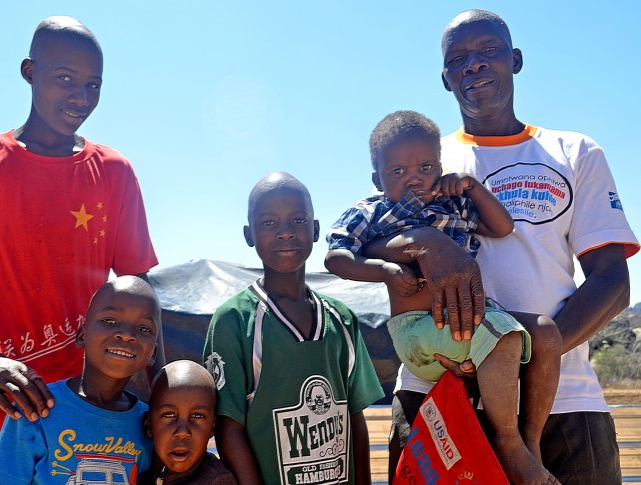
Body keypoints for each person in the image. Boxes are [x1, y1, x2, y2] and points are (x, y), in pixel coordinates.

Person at [375, 10, 639, 485]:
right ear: (445, 78)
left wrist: (526, 357)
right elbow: (366, 241)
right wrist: (427, 240)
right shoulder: (419, 160)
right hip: (436, 391)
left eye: (488, 50)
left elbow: (612, 281)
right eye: (458, 57)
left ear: (515, 60)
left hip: (563, 400)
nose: (474, 64)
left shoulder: (574, 151)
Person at [0, 16, 164, 483]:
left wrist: (161, 395)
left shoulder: (113, 173)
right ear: (29, 71)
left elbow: (139, 294)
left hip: (76, 415)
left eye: (93, 85)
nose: (80, 98)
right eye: (64, 79)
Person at [326, 109, 562, 485]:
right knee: (503, 336)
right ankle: (508, 444)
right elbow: (336, 255)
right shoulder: (373, 210)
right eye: (397, 172)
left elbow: (503, 227)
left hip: (473, 323)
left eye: (425, 166)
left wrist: (472, 187)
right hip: (420, 330)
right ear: (377, 179)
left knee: (546, 331)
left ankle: (529, 442)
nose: (413, 177)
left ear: (440, 165)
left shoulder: (455, 204)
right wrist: (383, 270)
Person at [203, 172, 384, 485]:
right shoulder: (234, 319)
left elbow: (355, 415)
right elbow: (227, 425)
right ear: (249, 235)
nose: (285, 232)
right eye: (269, 222)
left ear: (315, 230)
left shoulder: (341, 318)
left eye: (298, 220)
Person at [0, 276, 158, 484]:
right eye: (110, 321)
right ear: (82, 335)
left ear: (153, 352)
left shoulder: (148, 423)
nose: (127, 335)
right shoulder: (36, 408)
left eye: (144, 328)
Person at [140, 360, 236, 485]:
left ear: (212, 427)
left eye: (197, 416)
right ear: (149, 425)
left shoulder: (218, 481)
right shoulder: (136, 463)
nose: (182, 432)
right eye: (169, 415)